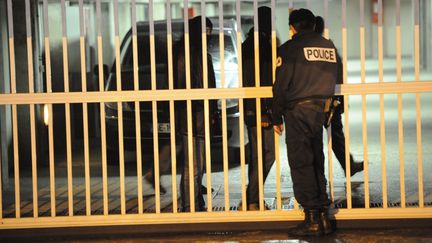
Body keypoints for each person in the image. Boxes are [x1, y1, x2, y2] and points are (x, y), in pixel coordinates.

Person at [272, 9, 339, 236]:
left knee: (301, 162)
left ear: (293, 27)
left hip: (298, 110)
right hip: (321, 109)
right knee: (316, 159)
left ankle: (311, 219)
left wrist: (275, 115)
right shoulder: (328, 46)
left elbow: (280, 86)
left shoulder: (290, 49)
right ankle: (323, 218)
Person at [174, 16, 217, 212]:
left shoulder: (199, 53)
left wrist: (212, 110)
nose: (207, 35)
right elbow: (186, 89)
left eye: (209, 31)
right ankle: (190, 206)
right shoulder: (185, 54)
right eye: (204, 31)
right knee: (193, 166)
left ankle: (194, 202)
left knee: (197, 165)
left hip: (200, 116)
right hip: (192, 117)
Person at [314, 16, 364, 177]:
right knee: (335, 134)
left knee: (314, 139)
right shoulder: (328, 47)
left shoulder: (301, 47)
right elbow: (339, 72)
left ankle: (318, 175)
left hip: (310, 100)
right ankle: (348, 166)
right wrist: (339, 98)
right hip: (330, 97)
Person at [241, 6, 275, 211]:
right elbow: (257, 79)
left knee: (259, 155)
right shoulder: (258, 43)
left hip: (257, 107)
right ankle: (252, 199)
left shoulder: (255, 41)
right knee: (266, 155)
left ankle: (252, 198)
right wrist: (263, 111)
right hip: (259, 108)